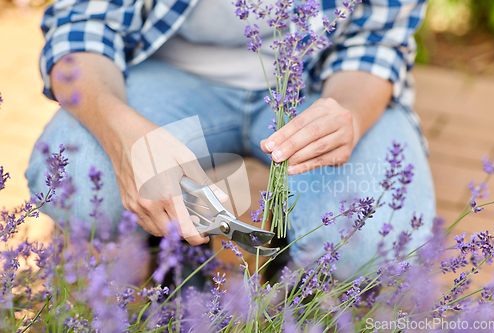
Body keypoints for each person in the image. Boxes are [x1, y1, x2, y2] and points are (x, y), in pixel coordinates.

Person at [26, 0, 434, 279]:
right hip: (168, 74)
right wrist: (125, 138)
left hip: (317, 86)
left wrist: (348, 115)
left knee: (376, 238)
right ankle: (169, 239)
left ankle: (294, 265)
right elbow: (81, 29)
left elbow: (378, 42)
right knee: (73, 182)